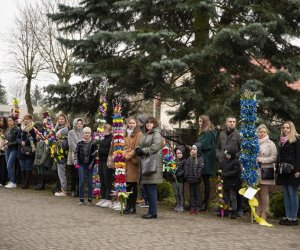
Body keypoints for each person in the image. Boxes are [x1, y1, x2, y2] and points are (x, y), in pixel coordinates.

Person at [136, 116, 163, 219]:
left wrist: (143, 151)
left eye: (151, 123)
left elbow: (156, 147)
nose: (148, 124)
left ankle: (153, 212)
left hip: (153, 164)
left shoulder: (156, 134)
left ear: (154, 124)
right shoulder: (146, 134)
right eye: (147, 123)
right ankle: (151, 211)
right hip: (146, 163)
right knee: (147, 187)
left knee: (151, 188)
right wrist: (138, 149)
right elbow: (140, 144)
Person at [216, 116, 243, 216]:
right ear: (226, 123)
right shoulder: (222, 133)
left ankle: (238, 209)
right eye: (230, 122)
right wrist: (218, 156)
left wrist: (235, 157)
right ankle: (225, 209)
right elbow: (218, 147)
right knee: (224, 189)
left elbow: (242, 149)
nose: (232, 123)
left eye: (234, 122)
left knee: (236, 188)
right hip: (223, 163)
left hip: (234, 165)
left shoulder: (238, 134)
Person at [277, 121, 300, 226]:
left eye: (288, 128)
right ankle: (287, 216)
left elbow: (299, 156)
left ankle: (293, 218)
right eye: (284, 128)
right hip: (284, 171)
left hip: (293, 171)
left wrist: (298, 170)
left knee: (292, 194)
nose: (285, 129)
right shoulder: (282, 140)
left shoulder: (296, 139)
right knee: (286, 195)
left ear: (292, 128)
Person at [255, 124, 277, 220]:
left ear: (266, 133)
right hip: (255, 170)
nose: (262, 134)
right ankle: (257, 210)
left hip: (265, 170)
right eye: (260, 132)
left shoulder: (270, 144)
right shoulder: (253, 143)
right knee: (255, 192)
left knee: (264, 192)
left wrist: (262, 160)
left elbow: (274, 157)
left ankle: (265, 212)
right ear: (257, 133)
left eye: (264, 132)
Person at [124, 117, 143, 214]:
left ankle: (132, 207)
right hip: (125, 163)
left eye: (133, 123)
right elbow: (121, 146)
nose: (131, 124)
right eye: (130, 123)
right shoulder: (124, 134)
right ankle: (128, 206)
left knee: (132, 184)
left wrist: (126, 154)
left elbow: (136, 148)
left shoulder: (139, 134)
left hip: (133, 161)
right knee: (126, 185)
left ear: (136, 124)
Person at [198, 115, 217, 211]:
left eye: (201, 121)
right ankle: (199, 202)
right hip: (202, 158)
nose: (199, 123)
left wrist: (195, 146)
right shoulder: (204, 132)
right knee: (201, 181)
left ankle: (204, 203)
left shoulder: (209, 133)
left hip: (206, 160)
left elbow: (204, 145)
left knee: (206, 181)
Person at [75, 127, 97, 205]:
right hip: (81, 164)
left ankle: (90, 200)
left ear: (90, 134)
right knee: (81, 181)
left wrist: (91, 164)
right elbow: (76, 153)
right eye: (85, 133)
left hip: (90, 165)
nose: (87, 134)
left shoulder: (93, 143)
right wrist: (76, 163)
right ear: (83, 134)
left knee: (90, 182)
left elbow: (95, 155)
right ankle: (81, 199)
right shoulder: (79, 143)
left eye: (88, 133)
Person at [220, 145, 241, 219]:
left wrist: (226, 174)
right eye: (226, 154)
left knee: (233, 197)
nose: (227, 155)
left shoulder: (236, 162)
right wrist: (220, 173)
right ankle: (226, 209)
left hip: (233, 182)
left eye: (228, 154)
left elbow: (236, 171)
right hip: (225, 182)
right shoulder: (225, 161)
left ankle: (234, 211)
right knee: (226, 197)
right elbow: (222, 168)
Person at [97, 124, 114, 208]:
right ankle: (103, 197)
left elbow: (109, 151)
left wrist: (99, 150)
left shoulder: (111, 139)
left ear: (108, 130)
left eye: (104, 129)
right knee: (102, 180)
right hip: (101, 161)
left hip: (107, 162)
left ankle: (109, 199)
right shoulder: (104, 139)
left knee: (108, 181)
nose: (103, 131)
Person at [17, 114, 37, 189]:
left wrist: (26, 142)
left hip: (29, 150)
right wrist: (20, 141)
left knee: (28, 166)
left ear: (31, 120)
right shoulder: (20, 128)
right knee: (23, 167)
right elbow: (17, 138)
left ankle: (27, 183)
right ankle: (26, 181)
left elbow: (35, 138)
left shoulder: (33, 128)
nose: (26, 120)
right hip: (21, 150)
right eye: (25, 118)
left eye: (28, 119)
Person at [184, 144, 204, 214]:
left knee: (197, 194)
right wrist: (186, 175)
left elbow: (200, 168)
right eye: (192, 149)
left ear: (198, 150)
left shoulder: (200, 159)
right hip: (190, 179)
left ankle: (198, 207)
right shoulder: (189, 158)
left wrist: (197, 176)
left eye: (194, 149)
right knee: (192, 194)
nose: (193, 150)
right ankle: (192, 207)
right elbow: (186, 167)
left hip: (197, 180)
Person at [54, 113, 70, 197]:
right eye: (59, 119)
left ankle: (64, 191)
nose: (61, 120)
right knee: (60, 173)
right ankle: (62, 189)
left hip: (63, 153)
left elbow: (57, 136)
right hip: (57, 153)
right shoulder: (56, 128)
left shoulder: (65, 129)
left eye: (62, 119)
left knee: (62, 173)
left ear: (65, 120)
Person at [67, 118, 84, 197]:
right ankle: (73, 190)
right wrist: (79, 150)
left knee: (80, 175)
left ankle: (79, 190)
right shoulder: (71, 132)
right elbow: (71, 144)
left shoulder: (84, 132)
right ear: (75, 124)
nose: (79, 125)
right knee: (73, 175)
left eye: (80, 123)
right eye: (78, 123)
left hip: (82, 157)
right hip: (73, 156)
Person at [4, 116, 20, 188]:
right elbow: (6, 139)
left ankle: (13, 182)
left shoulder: (17, 129)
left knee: (9, 166)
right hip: (7, 149)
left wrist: (8, 144)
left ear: (13, 121)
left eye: (10, 120)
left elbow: (17, 142)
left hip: (14, 149)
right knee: (8, 166)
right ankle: (10, 181)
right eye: (8, 121)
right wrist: (5, 143)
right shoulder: (7, 129)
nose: (9, 122)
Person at [173, 145, 187, 212]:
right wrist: (172, 172)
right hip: (174, 179)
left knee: (180, 192)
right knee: (176, 192)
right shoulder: (174, 161)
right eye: (177, 153)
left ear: (183, 153)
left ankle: (181, 205)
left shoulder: (184, 161)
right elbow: (172, 168)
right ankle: (178, 204)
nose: (179, 155)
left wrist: (179, 174)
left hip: (180, 179)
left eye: (180, 153)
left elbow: (185, 170)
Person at [0, 116, 8, 186]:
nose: (1, 122)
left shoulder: (6, 130)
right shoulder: (0, 129)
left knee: (3, 166)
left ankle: (2, 181)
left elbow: (7, 140)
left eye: (2, 121)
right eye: (0, 121)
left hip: (4, 150)